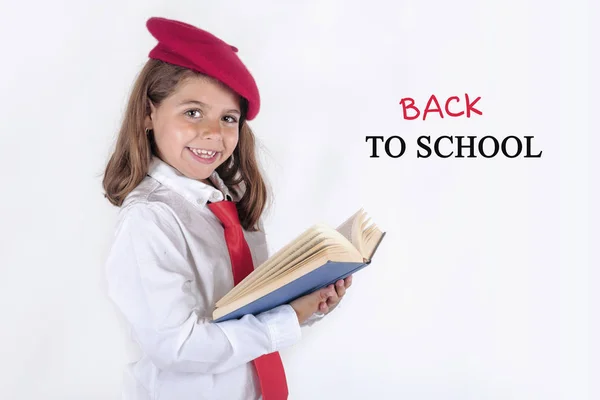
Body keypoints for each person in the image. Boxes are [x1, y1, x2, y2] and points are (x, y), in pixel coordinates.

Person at [102, 16, 352, 400]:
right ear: (148, 113)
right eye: (193, 112)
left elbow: (250, 311)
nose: (213, 133)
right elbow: (178, 347)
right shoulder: (148, 220)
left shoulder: (230, 204)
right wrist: (291, 318)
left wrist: (311, 302)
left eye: (228, 118)